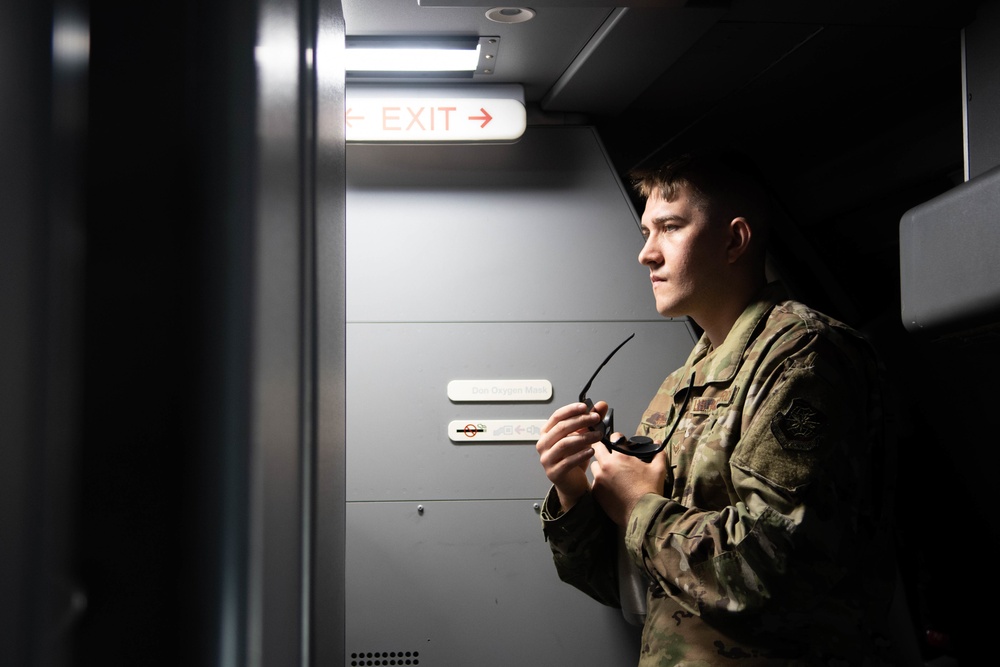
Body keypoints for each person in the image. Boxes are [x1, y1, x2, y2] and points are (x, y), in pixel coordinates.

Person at [535, 151, 900, 665]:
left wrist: (639, 506)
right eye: (646, 232)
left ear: (734, 240)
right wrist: (575, 492)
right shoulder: (683, 383)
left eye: (670, 227)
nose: (647, 253)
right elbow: (634, 584)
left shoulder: (805, 358)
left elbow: (771, 570)